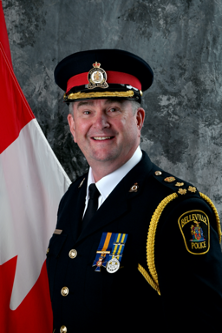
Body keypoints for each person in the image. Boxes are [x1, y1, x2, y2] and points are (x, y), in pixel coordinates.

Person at [46, 49, 222, 333]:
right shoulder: (74, 196)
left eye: (113, 109)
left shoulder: (176, 209)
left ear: (139, 119)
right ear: (72, 126)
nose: (100, 123)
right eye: (87, 111)